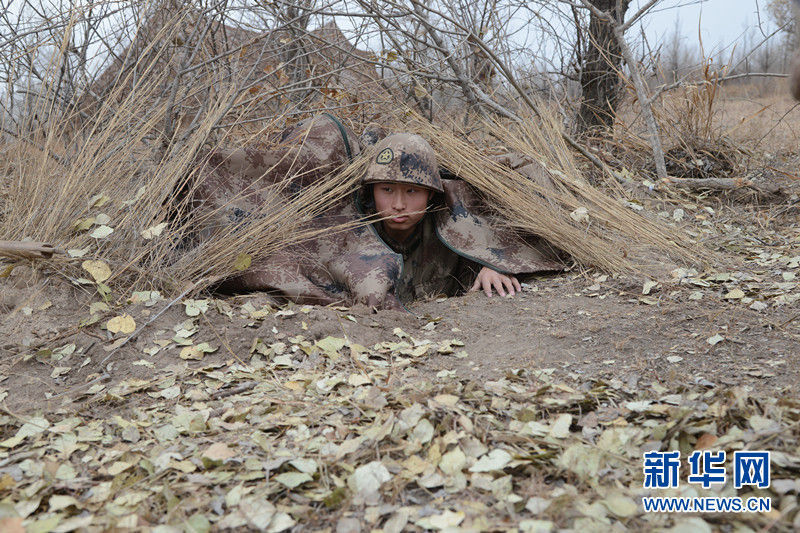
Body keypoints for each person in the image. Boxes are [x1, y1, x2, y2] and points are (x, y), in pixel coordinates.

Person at [359, 133, 522, 301]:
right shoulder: (355, 232)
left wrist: (493, 266)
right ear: (372, 190)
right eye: (387, 190)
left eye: (411, 190)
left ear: (430, 193)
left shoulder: (452, 224)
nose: (399, 205)